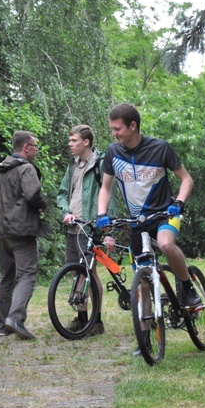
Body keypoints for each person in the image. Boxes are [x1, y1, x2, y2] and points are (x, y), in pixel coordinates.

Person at [95, 103, 201, 308]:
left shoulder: (160, 148)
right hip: (137, 221)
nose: (113, 134)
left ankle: (187, 287)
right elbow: (105, 188)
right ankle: (145, 330)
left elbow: (187, 179)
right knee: (141, 277)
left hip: (164, 214)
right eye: (112, 129)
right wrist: (102, 213)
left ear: (132, 126)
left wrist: (179, 203)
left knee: (166, 244)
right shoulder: (113, 152)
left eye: (117, 129)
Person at [0, 131, 49, 340]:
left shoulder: (0, 169)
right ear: (25, 148)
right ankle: (15, 318)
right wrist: (42, 205)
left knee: (6, 276)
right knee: (28, 274)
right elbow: (33, 193)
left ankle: (2, 325)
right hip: (20, 230)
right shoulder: (25, 168)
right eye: (35, 146)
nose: (37, 150)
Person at [56, 124, 115, 336]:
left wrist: (108, 230)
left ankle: (96, 320)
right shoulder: (72, 165)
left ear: (86, 142)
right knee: (75, 270)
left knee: (89, 271)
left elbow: (110, 195)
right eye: (70, 140)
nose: (70, 144)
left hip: (91, 227)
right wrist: (65, 211)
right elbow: (62, 193)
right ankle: (82, 317)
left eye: (74, 141)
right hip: (73, 226)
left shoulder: (100, 164)